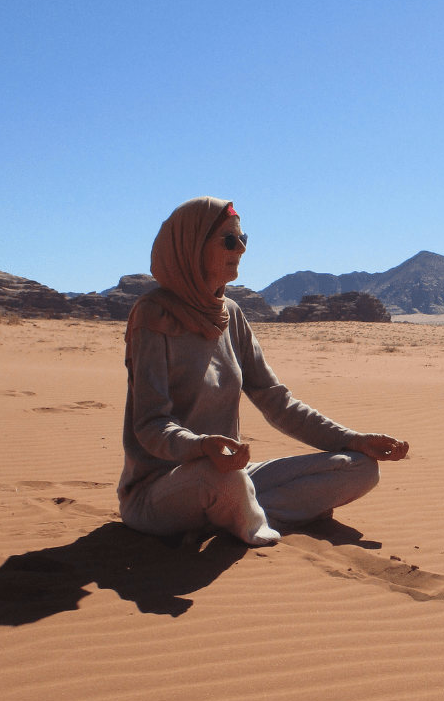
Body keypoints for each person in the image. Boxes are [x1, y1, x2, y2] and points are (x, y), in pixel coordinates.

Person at [119, 197, 409, 547]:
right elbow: (149, 425)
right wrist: (200, 447)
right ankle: (243, 515)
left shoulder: (231, 315)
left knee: (361, 468)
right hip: (160, 488)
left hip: (228, 473)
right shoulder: (153, 316)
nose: (240, 248)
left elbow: (277, 402)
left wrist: (352, 439)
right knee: (223, 480)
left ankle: (232, 515)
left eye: (244, 239)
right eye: (229, 240)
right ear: (192, 246)